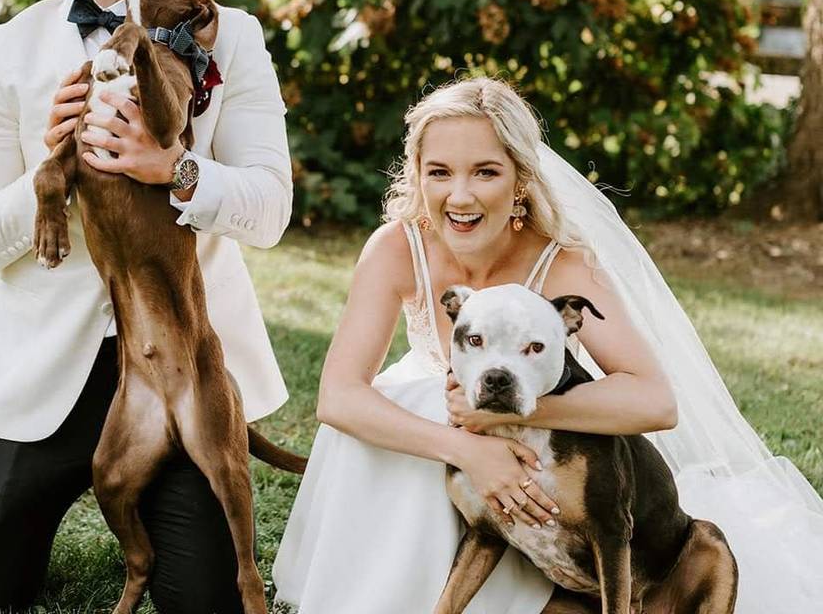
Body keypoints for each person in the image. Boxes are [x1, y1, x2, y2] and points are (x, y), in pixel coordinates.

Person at [272, 77, 823, 613]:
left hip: (535, 455)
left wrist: (506, 415)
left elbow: (655, 401)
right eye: (439, 172)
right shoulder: (398, 246)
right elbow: (338, 396)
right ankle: (381, 588)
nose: (459, 196)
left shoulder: (562, 264)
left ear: (519, 180)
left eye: (485, 172)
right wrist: (467, 447)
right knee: (401, 409)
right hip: (437, 433)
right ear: (418, 175)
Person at [0, 0, 293, 612]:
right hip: (37, 373)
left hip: (177, 367)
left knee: (207, 601)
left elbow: (271, 209)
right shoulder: (7, 46)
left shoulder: (228, 32)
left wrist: (175, 168)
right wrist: (47, 168)